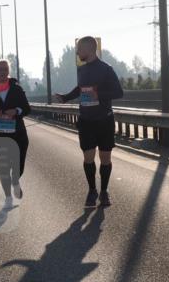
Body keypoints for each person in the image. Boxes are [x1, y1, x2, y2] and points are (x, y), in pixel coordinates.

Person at [53, 36, 124, 208]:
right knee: (88, 158)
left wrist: (98, 94)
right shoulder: (82, 70)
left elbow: (118, 92)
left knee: (105, 158)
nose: (77, 52)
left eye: (79, 49)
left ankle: (104, 191)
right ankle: (92, 191)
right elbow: (80, 89)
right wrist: (65, 97)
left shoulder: (106, 69)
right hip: (86, 121)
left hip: (104, 120)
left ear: (89, 49)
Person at [0, 59, 31, 202]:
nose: (2, 72)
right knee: (4, 166)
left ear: (8, 71)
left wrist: (16, 110)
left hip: (18, 135)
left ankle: (15, 181)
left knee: (18, 165)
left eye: (5, 69)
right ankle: (8, 197)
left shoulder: (16, 88)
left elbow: (27, 108)